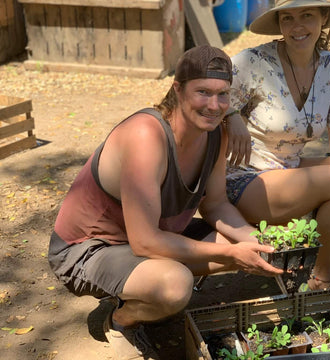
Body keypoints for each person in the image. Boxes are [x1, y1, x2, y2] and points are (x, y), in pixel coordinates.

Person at [48, 45, 283, 360]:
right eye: (203, 92)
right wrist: (229, 251)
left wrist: (258, 241)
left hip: (149, 236)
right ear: (178, 89)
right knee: (175, 285)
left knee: (244, 246)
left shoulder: (216, 132)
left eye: (223, 94)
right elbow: (145, 242)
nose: (214, 105)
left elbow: (215, 205)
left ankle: (142, 291)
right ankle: (119, 319)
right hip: (90, 249)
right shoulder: (147, 135)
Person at [223, 0, 330, 301]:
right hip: (247, 177)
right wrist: (231, 116)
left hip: (289, 169)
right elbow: (210, 97)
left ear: (324, 18)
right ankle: (320, 281)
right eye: (288, 18)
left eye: (307, 16)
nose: (297, 26)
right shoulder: (254, 62)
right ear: (279, 24)